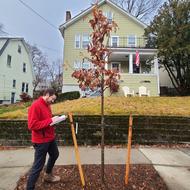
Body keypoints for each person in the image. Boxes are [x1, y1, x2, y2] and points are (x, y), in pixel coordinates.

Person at [27, 88, 61, 190]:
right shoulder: (35, 106)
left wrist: (54, 121)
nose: (53, 101)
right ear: (46, 94)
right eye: (52, 99)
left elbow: (46, 121)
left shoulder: (47, 105)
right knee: (38, 166)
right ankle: (29, 187)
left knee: (55, 154)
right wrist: (50, 120)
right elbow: (32, 125)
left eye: (54, 100)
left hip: (50, 138)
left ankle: (47, 175)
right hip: (41, 141)